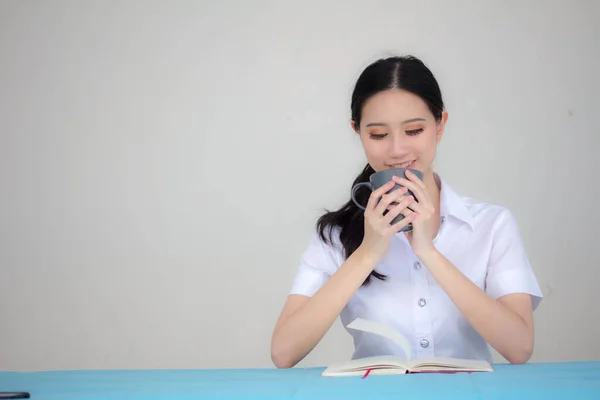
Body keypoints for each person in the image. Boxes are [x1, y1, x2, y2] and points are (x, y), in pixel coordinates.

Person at [270, 55, 543, 369]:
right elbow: (283, 352)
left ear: (440, 126)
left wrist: (427, 251)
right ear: (357, 132)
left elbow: (519, 347)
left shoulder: (491, 225)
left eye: (414, 131)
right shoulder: (336, 235)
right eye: (378, 135)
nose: (397, 150)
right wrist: (367, 252)